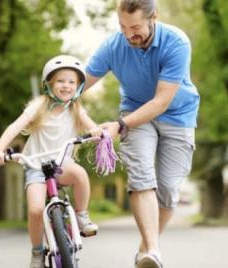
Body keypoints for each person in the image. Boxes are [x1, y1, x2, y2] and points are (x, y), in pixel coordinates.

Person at [84, 0, 200, 268]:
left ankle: (146, 248)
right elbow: (80, 82)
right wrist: (54, 95)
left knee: (169, 188)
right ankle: (153, 251)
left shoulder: (176, 42)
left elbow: (161, 102)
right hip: (135, 113)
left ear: (153, 18)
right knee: (141, 177)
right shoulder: (114, 46)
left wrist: (118, 126)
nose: (128, 34)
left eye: (135, 27)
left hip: (177, 115)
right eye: (122, 26)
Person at [0, 55, 101, 268]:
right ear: (49, 84)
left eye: (72, 82)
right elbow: (15, 126)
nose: (66, 86)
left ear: (78, 87)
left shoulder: (75, 108)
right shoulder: (39, 105)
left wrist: (95, 130)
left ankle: (81, 216)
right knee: (34, 210)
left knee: (80, 174)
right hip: (35, 165)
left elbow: (90, 125)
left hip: (61, 163)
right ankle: (37, 251)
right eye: (61, 81)